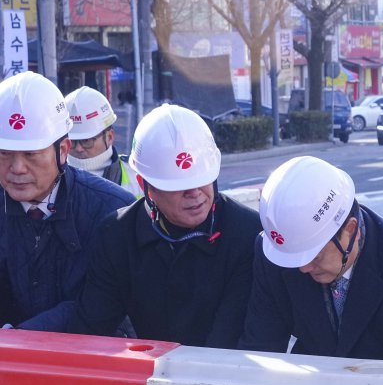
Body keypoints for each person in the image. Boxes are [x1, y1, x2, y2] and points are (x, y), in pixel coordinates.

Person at [66, 104, 260, 347]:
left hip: (223, 374)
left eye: (203, 179)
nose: (195, 193)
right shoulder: (117, 235)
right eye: (178, 186)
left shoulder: (246, 234)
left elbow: (232, 337)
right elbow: (92, 327)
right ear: (144, 185)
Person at [239, 155, 383, 363]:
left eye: (314, 255)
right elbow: (261, 348)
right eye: (296, 258)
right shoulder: (281, 254)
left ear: (350, 230)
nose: (303, 267)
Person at [0, 72, 135, 331]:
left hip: (89, 362)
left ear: (62, 150)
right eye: (4, 154)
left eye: (31, 155)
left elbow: (100, 307)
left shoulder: (112, 209)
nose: (16, 168)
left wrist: (21, 337)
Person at [64, 86, 135, 192]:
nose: (79, 149)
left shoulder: (136, 176)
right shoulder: (50, 178)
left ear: (110, 137)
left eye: (87, 141)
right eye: (72, 142)